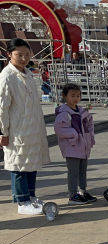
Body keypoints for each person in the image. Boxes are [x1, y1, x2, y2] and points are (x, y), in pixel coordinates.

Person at [0, 38, 51, 215]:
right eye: (19, 55)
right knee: (19, 165)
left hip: (32, 127)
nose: (23, 58)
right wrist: (3, 131)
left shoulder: (28, 74)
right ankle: (22, 200)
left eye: (26, 54)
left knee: (31, 163)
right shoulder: (7, 76)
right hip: (17, 129)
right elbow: (2, 107)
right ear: (9, 55)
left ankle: (31, 195)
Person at [54, 83, 97, 205]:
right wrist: (74, 134)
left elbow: (89, 125)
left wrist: (90, 136)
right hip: (72, 146)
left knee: (82, 170)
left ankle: (82, 191)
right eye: (72, 95)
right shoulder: (64, 113)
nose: (76, 98)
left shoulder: (82, 111)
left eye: (78, 95)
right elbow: (59, 129)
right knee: (73, 172)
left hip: (83, 146)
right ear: (64, 96)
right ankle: (73, 194)